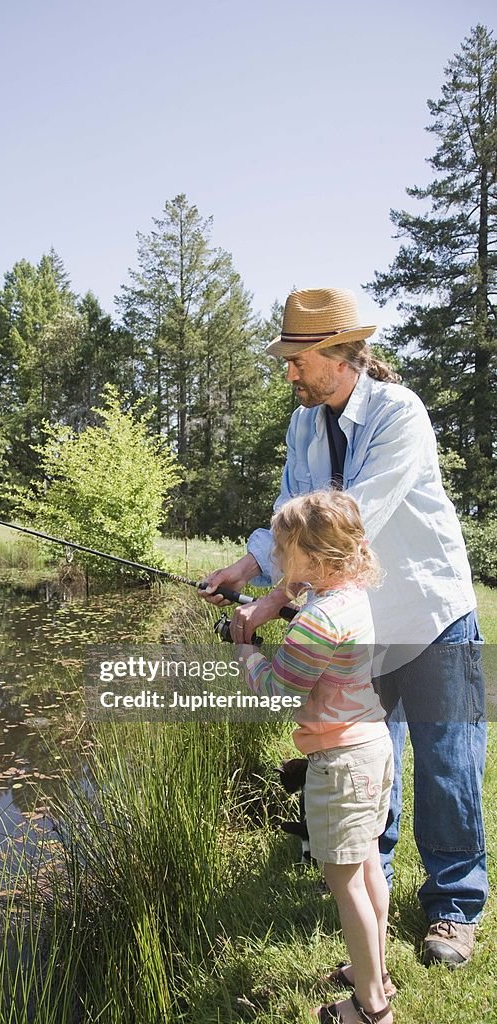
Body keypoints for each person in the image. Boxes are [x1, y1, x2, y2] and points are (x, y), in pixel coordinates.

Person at [201, 287, 487, 968]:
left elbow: (347, 520)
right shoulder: (303, 426)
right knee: (363, 766)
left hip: (428, 615)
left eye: (298, 359)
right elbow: (290, 517)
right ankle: (371, 894)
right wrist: (245, 568)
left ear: (337, 354)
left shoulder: (397, 414)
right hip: (358, 629)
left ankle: (452, 908)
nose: (289, 371)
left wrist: (270, 605)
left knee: (446, 768)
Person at [239, 489, 394, 1024]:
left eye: (285, 550)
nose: (279, 559)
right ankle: (373, 971)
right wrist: (286, 605)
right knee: (369, 862)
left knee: (345, 882)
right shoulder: (349, 599)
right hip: (372, 747)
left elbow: (282, 693)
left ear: (316, 558)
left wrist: (246, 650)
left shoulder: (317, 621)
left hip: (340, 763)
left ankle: (371, 1007)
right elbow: (318, 644)